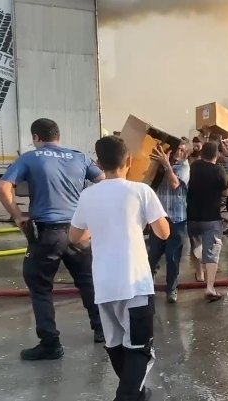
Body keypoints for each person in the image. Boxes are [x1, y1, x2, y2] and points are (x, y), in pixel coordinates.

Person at [69, 135, 169, 401]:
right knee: (139, 349)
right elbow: (163, 232)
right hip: (135, 284)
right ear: (129, 161)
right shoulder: (141, 191)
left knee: (116, 346)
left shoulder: (88, 195)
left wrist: (97, 229)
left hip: (104, 287)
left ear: (99, 164)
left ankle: (136, 394)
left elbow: (75, 237)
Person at [0, 118, 104, 360]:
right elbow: (102, 182)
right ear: (58, 136)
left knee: (40, 286)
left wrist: (17, 215)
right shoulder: (79, 157)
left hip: (47, 234)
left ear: (36, 137)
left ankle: (50, 343)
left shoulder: (31, 158)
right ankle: (102, 331)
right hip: (78, 232)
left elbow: (3, 188)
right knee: (88, 282)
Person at [186, 141, 228, 302]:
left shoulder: (194, 166)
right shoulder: (218, 170)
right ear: (217, 155)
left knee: (196, 246)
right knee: (212, 252)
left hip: (192, 216)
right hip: (211, 217)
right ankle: (210, 287)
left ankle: (199, 274)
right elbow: (226, 191)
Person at [147, 142, 190, 304]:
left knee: (172, 258)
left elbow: (174, 184)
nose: (179, 153)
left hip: (176, 220)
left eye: (182, 150)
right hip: (157, 218)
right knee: (153, 256)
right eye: (177, 149)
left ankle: (171, 289)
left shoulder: (183, 167)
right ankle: (147, 287)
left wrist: (166, 165)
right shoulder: (158, 165)